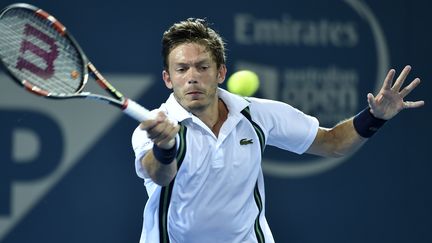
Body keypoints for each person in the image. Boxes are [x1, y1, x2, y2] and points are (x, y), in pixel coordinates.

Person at [131, 18, 424, 243]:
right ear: (168, 79)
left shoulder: (258, 114)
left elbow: (333, 142)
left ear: (221, 72)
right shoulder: (155, 126)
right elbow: (160, 174)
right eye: (182, 69)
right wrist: (166, 146)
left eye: (202, 67)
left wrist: (375, 116)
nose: (192, 77)